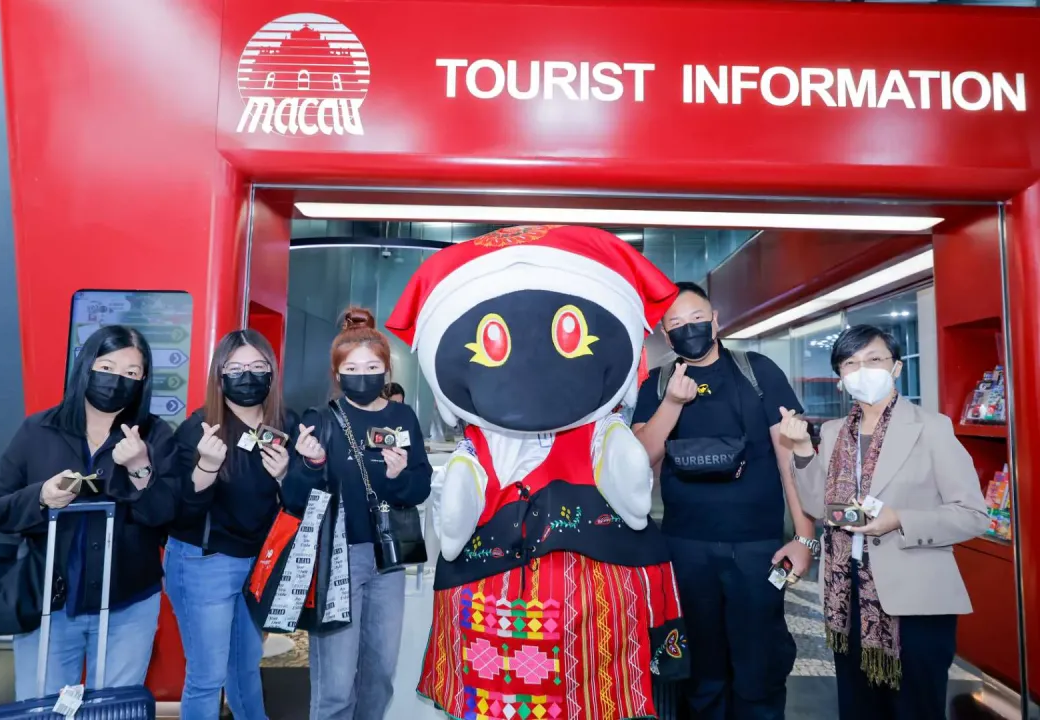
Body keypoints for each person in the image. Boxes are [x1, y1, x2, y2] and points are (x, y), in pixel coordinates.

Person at [386, 225, 690, 720]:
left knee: (592, 692)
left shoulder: (599, 432)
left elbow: (632, 495)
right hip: (502, 586)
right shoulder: (482, 442)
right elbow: (458, 512)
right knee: (503, 690)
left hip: (587, 589)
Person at [779, 324, 988, 720]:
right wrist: (803, 450)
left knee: (915, 708)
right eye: (850, 363)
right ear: (840, 377)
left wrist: (899, 520)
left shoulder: (931, 428)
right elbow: (819, 507)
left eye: (874, 359)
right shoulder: (834, 432)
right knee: (859, 707)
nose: (862, 371)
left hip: (915, 601)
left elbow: (972, 514)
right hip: (846, 596)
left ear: (896, 368)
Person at [632, 281, 815, 720]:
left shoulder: (758, 372)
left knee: (759, 662)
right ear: (665, 334)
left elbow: (788, 457)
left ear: (715, 321)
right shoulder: (658, 384)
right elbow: (641, 457)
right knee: (700, 666)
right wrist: (672, 403)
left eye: (697, 318)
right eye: (676, 323)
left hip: (758, 547)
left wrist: (804, 537)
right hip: (684, 547)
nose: (689, 328)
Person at [0, 325, 177, 701]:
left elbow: (167, 517)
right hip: (48, 606)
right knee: (43, 707)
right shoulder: (38, 430)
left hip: (128, 606)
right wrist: (41, 497)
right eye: (107, 367)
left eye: (131, 373)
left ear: (143, 381)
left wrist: (140, 469)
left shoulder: (154, 435)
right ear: (86, 366)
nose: (117, 380)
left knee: (113, 709)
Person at [286, 307, 432, 720]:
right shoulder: (321, 420)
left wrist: (398, 475)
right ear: (337, 373)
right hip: (338, 558)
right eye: (352, 368)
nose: (362, 375)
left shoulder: (402, 417)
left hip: (388, 558)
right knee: (335, 684)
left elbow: (419, 487)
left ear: (386, 370)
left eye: (372, 367)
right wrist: (310, 465)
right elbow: (294, 498)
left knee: (380, 674)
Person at [164, 329, 303, 720]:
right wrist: (206, 467)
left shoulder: (286, 425)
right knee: (207, 676)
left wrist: (286, 476)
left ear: (271, 373)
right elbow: (179, 512)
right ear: (220, 375)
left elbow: (302, 503)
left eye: (258, 367)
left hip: (258, 564)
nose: (248, 376)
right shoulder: (199, 429)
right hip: (204, 562)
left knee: (245, 668)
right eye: (236, 368)